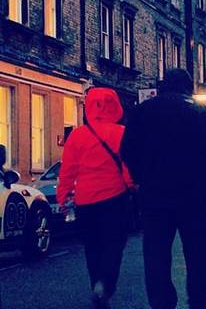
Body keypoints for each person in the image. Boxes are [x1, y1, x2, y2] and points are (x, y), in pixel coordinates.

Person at [121, 69, 206, 309]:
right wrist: (202, 177)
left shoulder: (143, 111)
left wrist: (141, 177)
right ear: (188, 86)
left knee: (156, 254)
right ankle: (199, 301)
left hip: (154, 195)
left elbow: (127, 149)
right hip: (192, 195)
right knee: (198, 253)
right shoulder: (200, 111)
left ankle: (162, 302)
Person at [57, 87, 133, 309]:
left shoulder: (77, 135)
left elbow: (68, 170)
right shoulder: (122, 133)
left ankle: (96, 285)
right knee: (114, 243)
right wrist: (131, 185)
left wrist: (64, 195)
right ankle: (106, 284)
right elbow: (128, 166)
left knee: (93, 246)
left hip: (85, 200)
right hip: (115, 197)